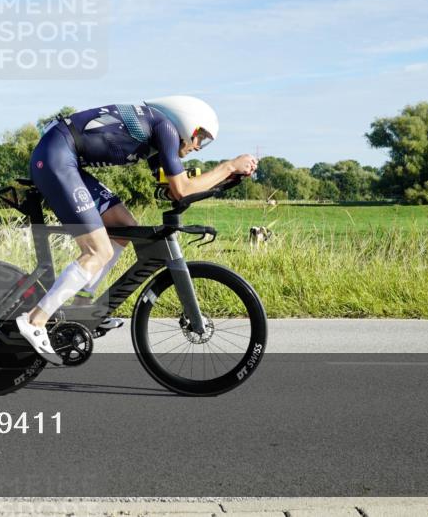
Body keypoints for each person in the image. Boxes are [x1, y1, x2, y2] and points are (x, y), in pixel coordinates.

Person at [15, 96, 258, 364]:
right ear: (187, 121)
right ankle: (35, 320)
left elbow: (173, 193)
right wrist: (228, 166)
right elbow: (182, 189)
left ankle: (83, 305)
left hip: (63, 157)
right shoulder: (165, 128)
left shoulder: (158, 141)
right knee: (98, 251)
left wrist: (228, 179)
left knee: (124, 227)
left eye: (206, 142)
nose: (199, 147)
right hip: (56, 159)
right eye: (201, 137)